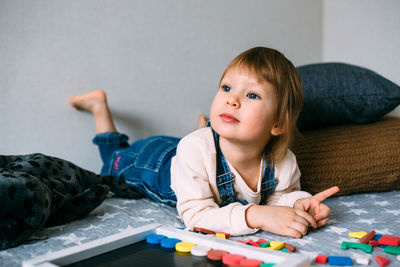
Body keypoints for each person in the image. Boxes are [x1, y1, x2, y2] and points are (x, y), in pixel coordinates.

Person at [70, 47, 339, 238]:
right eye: (226, 88)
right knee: (112, 162)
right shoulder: (194, 150)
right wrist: (256, 215)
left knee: (195, 149)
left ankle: (200, 131)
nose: (232, 100)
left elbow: (278, 196)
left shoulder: (283, 161)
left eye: (253, 95)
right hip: (153, 163)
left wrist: (299, 204)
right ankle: (99, 106)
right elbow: (197, 216)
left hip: (193, 153)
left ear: (277, 124)